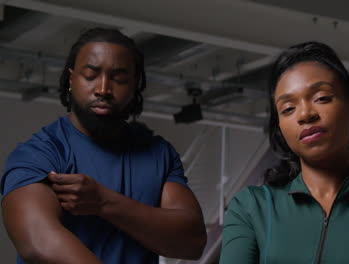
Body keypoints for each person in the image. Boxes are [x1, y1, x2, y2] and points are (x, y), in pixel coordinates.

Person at [1, 28, 207, 264]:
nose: (103, 89)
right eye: (90, 75)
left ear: (135, 84)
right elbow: (36, 242)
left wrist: (105, 202)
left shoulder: (159, 154)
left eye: (119, 78)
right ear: (71, 79)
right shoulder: (40, 153)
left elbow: (192, 242)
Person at [220, 41, 349, 263]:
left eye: (321, 98)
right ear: (281, 129)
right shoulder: (252, 208)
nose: (305, 114)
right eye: (288, 109)